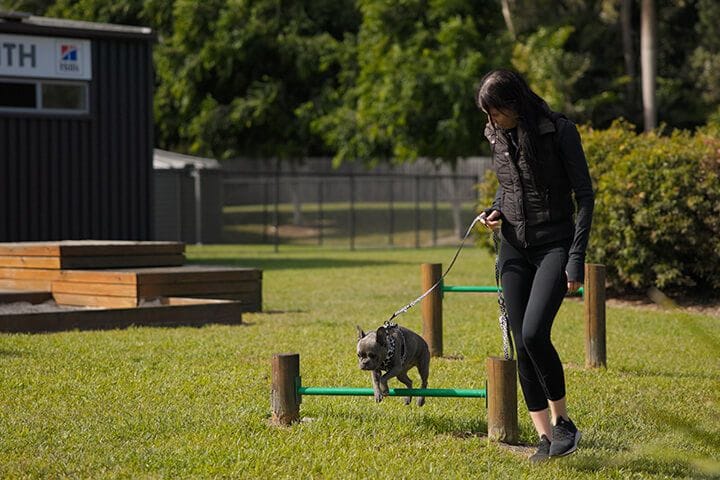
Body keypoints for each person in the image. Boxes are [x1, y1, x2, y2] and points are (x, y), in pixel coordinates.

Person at [475, 69, 594, 462]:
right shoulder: (497, 135)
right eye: (488, 114)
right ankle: (544, 437)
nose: (491, 121)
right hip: (513, 247)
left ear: (514, 104)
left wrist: (575, 259)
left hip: (553, 246)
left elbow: (585, 198)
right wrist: (495, 211)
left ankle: (565, 425)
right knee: (520, 346)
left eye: (496, 112)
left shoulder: (559, 131)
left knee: (533, 334)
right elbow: (507, 185)